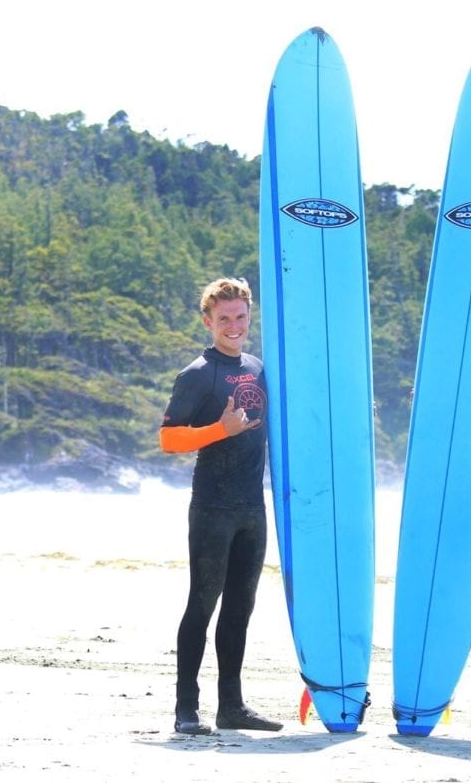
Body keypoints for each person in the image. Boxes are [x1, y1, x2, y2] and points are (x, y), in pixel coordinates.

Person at [158, 277, 282, 735]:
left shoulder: (256, 367)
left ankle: (231, 706)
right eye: (224, 318)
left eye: (240, 317)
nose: (233, 325)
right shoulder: (198, 373)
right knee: (203, 603)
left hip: (253, 506)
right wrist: (219, 430)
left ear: (250, 318)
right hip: (212, 506)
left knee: (241, 608)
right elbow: (168, 438)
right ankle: (185, 709)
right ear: (208, 320)